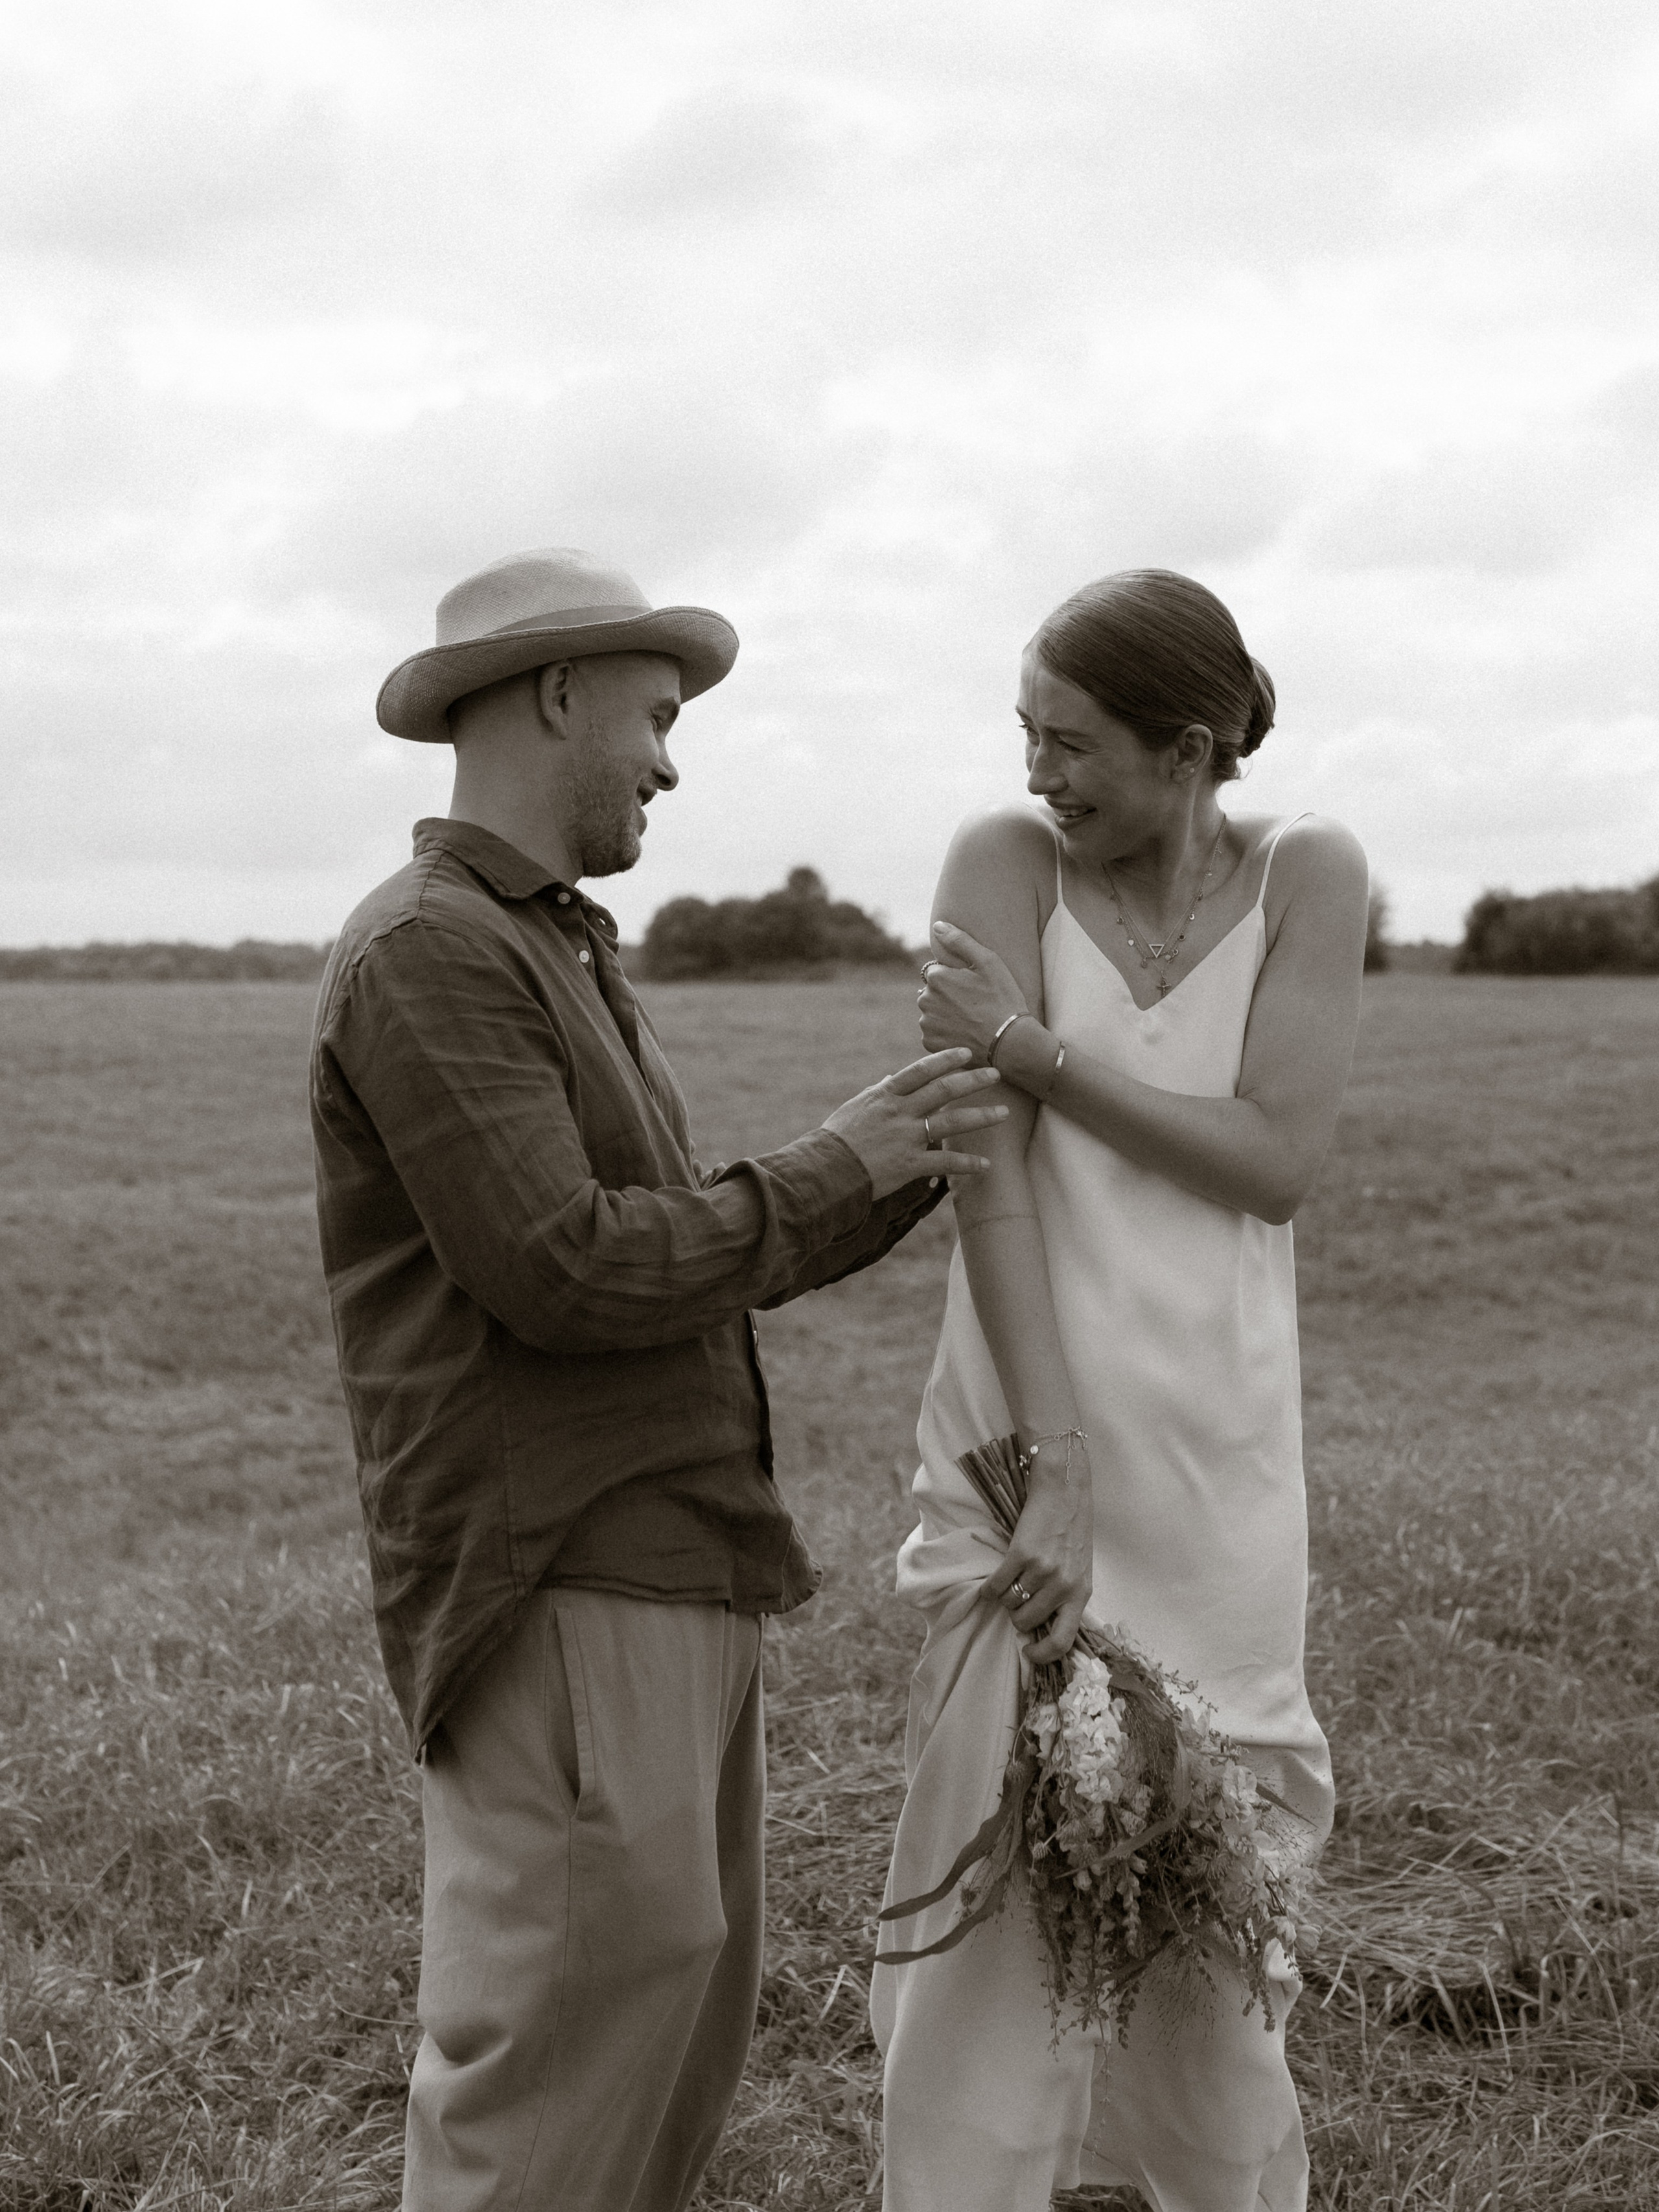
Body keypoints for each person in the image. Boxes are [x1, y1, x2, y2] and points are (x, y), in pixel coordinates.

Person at [307, 546, 1008, 2212]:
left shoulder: (553, 946)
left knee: (664, 2032)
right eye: (658, 713)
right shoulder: (429, 952)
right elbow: (565, 1268)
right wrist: (836, 1166)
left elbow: (695, 1247)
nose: (673, 759)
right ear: (556, 694)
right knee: (548, 2071)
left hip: (668, 1558)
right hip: (557, 1569)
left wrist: (909, 1145)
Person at [871, 568, 1369, 2211]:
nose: (1036, 772)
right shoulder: (996, 862)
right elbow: (985, 1181)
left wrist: (1034, 1048)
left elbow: (1276, 1161)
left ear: (1192, 743)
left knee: (1216, 1920)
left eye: (1070, 741)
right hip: (1026, 1447)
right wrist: (1052, 1463)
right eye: (1022, 732)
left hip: (1219, 1464)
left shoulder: (1309, 872)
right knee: (1000, 1914)